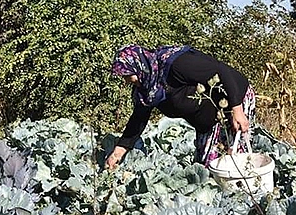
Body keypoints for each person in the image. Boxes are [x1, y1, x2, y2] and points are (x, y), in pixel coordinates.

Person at [105, 45, 255, 169]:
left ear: (138, 65)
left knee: (233, 164)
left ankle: (248, 201)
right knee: (208, 167)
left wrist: (237, 110)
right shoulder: (146, 89)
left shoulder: (176, 64)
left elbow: (221, 70)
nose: (125, 81)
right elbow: (138, 119)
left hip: (232, 99)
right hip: (208, 121)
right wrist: (118, 153)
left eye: (127, 75)